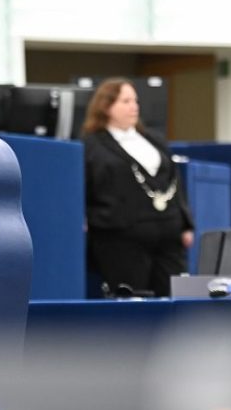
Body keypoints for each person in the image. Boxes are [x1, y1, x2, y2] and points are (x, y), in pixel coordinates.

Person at [82, 78, 194, 297]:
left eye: (135, 101)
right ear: (106, 106)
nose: (134, 106)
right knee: (134, 299)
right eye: (125, 101)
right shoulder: (93, 146)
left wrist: (185, 224)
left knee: (172, 299)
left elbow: (174, 181)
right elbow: (87, 186)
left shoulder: (154, 139)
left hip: (168, 234)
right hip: (122, 240)